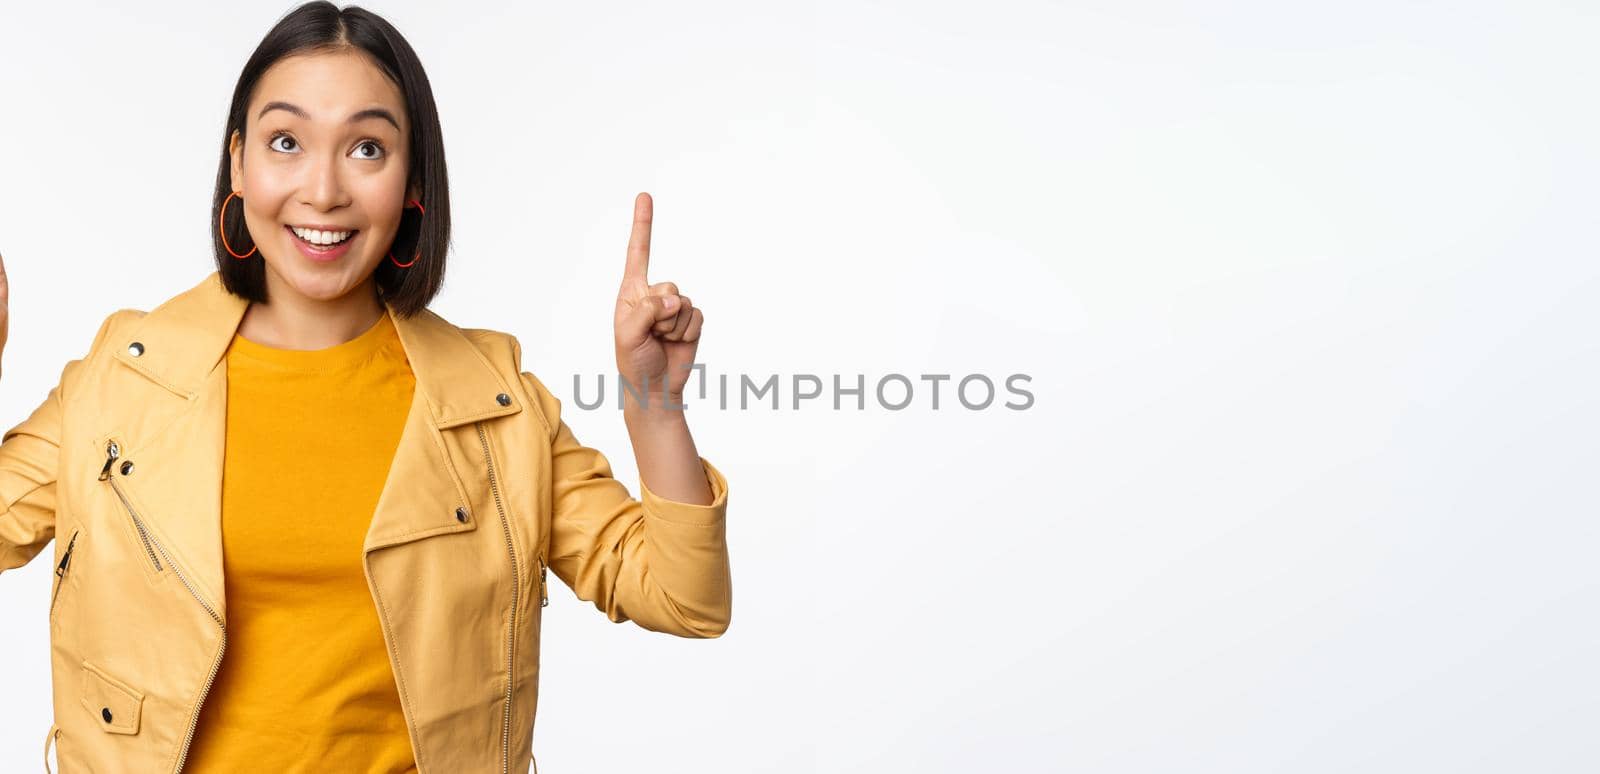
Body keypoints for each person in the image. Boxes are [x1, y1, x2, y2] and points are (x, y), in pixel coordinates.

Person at [0, 3, 732, 772]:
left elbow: (685, 599)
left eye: (367, 148)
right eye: (287, 142)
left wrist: (655, 404)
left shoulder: (495, 403)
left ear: (412, 182)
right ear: (240, 161)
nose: (323, 190)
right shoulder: (125, 378)